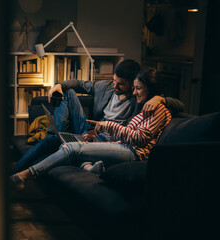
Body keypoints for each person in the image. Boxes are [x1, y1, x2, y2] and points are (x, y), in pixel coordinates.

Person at [11, 59, 184, 173]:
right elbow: (79, 83)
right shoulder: (106, 86)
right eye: (114, 81)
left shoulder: (139, 99)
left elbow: (178, 105)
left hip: (108, 139)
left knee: (59, 145)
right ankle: (55, 135)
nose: (115, 86)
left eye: (120, 84)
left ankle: (75, 157)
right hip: (90, 129)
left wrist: (159, 98)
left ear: (133, 84)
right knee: (69, 92)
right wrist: (58, 85)